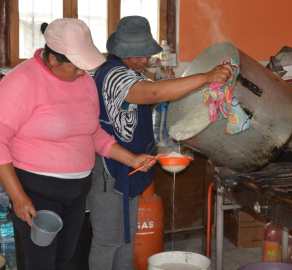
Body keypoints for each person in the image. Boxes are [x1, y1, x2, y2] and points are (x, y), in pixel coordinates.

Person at [0, 18, 155, 270]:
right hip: (37, 192)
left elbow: (93, 133)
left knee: (66, 260)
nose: (82, 72)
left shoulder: (83, 81)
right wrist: (18, 197)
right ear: (53, 59)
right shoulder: (22, 82)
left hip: (76, 192)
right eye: (76, 66)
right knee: (42, 264)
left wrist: (131, 159)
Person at [88, 15, 232, 270]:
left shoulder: (129, 71)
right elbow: (151, 93)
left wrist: (162, 81)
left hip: (127, 166)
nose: (145, 59)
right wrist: (206, 77)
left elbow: (145, 94)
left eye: (147, 53)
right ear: (121, 52)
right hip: (109, 171)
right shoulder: (114, 75)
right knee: (107, 241)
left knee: (126, 236)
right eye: (138, 54)